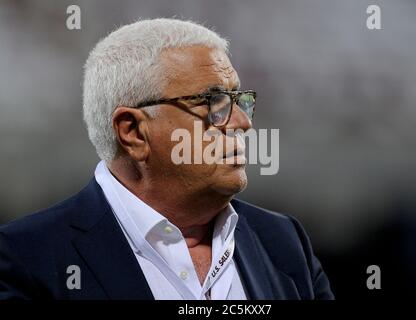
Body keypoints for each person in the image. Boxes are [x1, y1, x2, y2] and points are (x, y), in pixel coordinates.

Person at [0, 18, 333, 300]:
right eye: (214, 102)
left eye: (239, 100)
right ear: (133, 131)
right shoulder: (25, 257)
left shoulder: (284, 242)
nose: (243, 123)